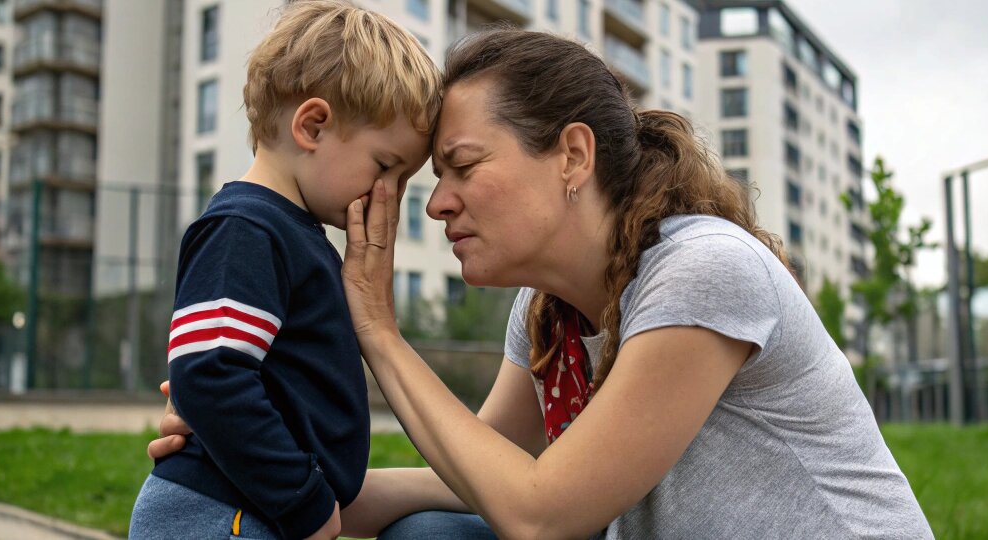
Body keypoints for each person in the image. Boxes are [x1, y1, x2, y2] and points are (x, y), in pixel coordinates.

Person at [154, 29, 932, 539]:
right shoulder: (547, 313)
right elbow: (476, 475)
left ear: (571, 156)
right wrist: (251, 460)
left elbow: (540, 514)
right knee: (429, 534)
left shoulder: (702, 269)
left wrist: (379, 334)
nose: (434, 201)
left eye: (461, 167)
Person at [129, 2, 440, 539]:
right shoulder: (247, 228)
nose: (389, 192)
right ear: (313, 125)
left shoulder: (293, 232)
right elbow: (209, 375)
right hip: (220, 515)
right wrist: (305, 503)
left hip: (243, 510)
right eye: (385, 166)